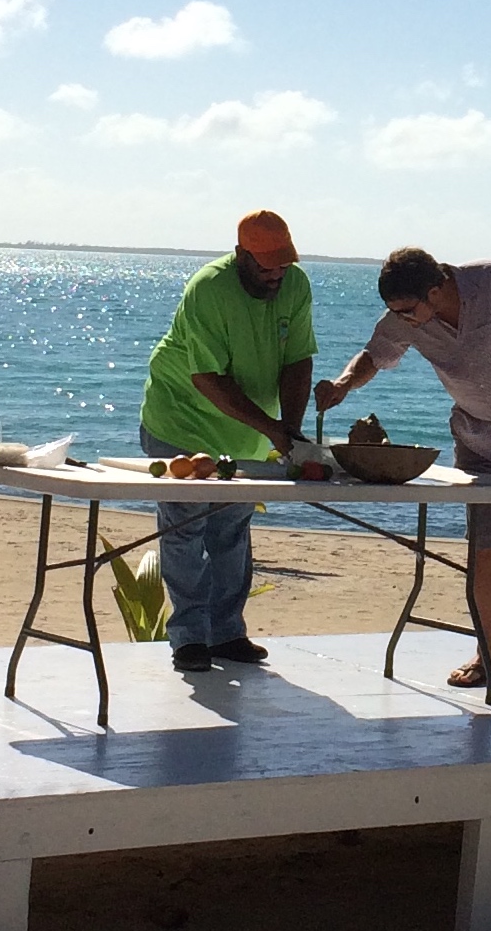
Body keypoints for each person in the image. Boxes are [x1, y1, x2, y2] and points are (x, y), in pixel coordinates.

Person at [314, 247, 491, 691]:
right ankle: (484, 655)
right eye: (395, 312)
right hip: (478, 439)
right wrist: (342, 384)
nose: (403, 320)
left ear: (436, 290)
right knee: (483, 548)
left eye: (408, 310)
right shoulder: (404, 316)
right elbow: (374, 354)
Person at [140, 210, 316, 673]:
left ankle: (227, 633)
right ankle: (189, 638)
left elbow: (298, 361)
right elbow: (207, 377)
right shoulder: (209, 289)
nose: (276, 275)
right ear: (241, 255)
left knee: (231, 530)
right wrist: (272, 428)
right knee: (185, 528)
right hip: (181, 419)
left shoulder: (295, 285)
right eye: (267, 266)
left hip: (246, 431)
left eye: (283, 264)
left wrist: (289, 428)